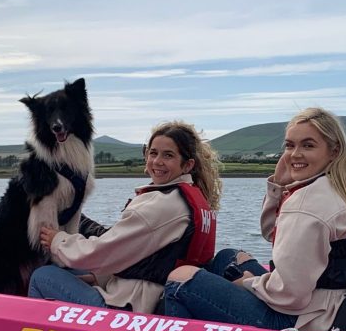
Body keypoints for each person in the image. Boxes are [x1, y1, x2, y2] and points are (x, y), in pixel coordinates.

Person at [163, 106, 346, 331]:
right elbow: (273, 234)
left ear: (334, 151)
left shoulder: (309, 203)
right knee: (228, 258)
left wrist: (248, 284)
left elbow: (290, 295)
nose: (295, 154)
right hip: (332, 304)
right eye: (290, 145)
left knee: (180, 280)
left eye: (308, 145)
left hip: (302, 321)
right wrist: (278, 186)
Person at [28, 120, 222, 313]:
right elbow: (147, 259)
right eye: (153, 153)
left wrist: (57, 240)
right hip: (151, 296)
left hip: (129, 308)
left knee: (43, 275)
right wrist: (99, 278)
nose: (157, 161)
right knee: (77, 271)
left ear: (187, 165)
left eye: (168, 155)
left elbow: (101, 252)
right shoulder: (192, 201)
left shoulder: (163, 204)